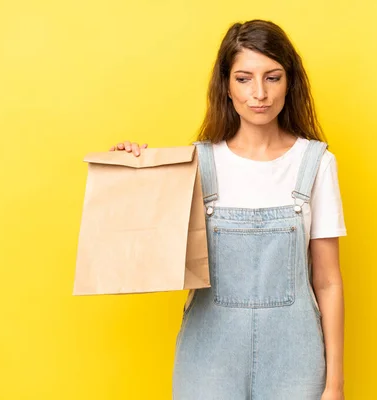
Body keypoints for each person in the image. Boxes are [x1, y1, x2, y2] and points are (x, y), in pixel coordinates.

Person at [111, 19, 347, 400]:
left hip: (296, 358)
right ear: (226, 85)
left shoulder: (317, 163)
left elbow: (328, 281)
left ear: (290, 82)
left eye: (272, 77)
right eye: (243, 78)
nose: (259, 93)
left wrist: (334, 385)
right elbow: (141, 250)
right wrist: (127, 172)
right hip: (208, 359)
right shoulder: (195, 164)